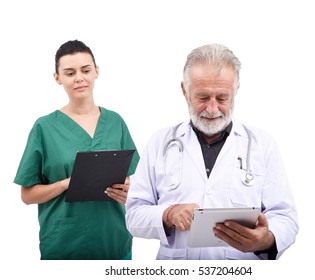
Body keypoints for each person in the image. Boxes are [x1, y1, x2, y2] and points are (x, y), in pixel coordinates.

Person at [126, 43, 298, 260]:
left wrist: (266, 239)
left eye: (222, 98)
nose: (213, 108)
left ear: (235, 91)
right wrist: (168, 214)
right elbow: (133, 216)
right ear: (184, 91)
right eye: (203, 97)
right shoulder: (160, 143)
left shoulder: (262, 145)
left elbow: (286, 217)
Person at [14, 40, 139, 260]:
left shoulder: (115, 122)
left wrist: (129, 189)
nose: (79, 78)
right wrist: (65, 184)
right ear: (57, 78)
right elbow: (27, 195)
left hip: (115, 242)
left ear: (96, 72)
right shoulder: (44, 128)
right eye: (70, 73)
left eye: (86, 70)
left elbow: (134, 180)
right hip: (64, 245)